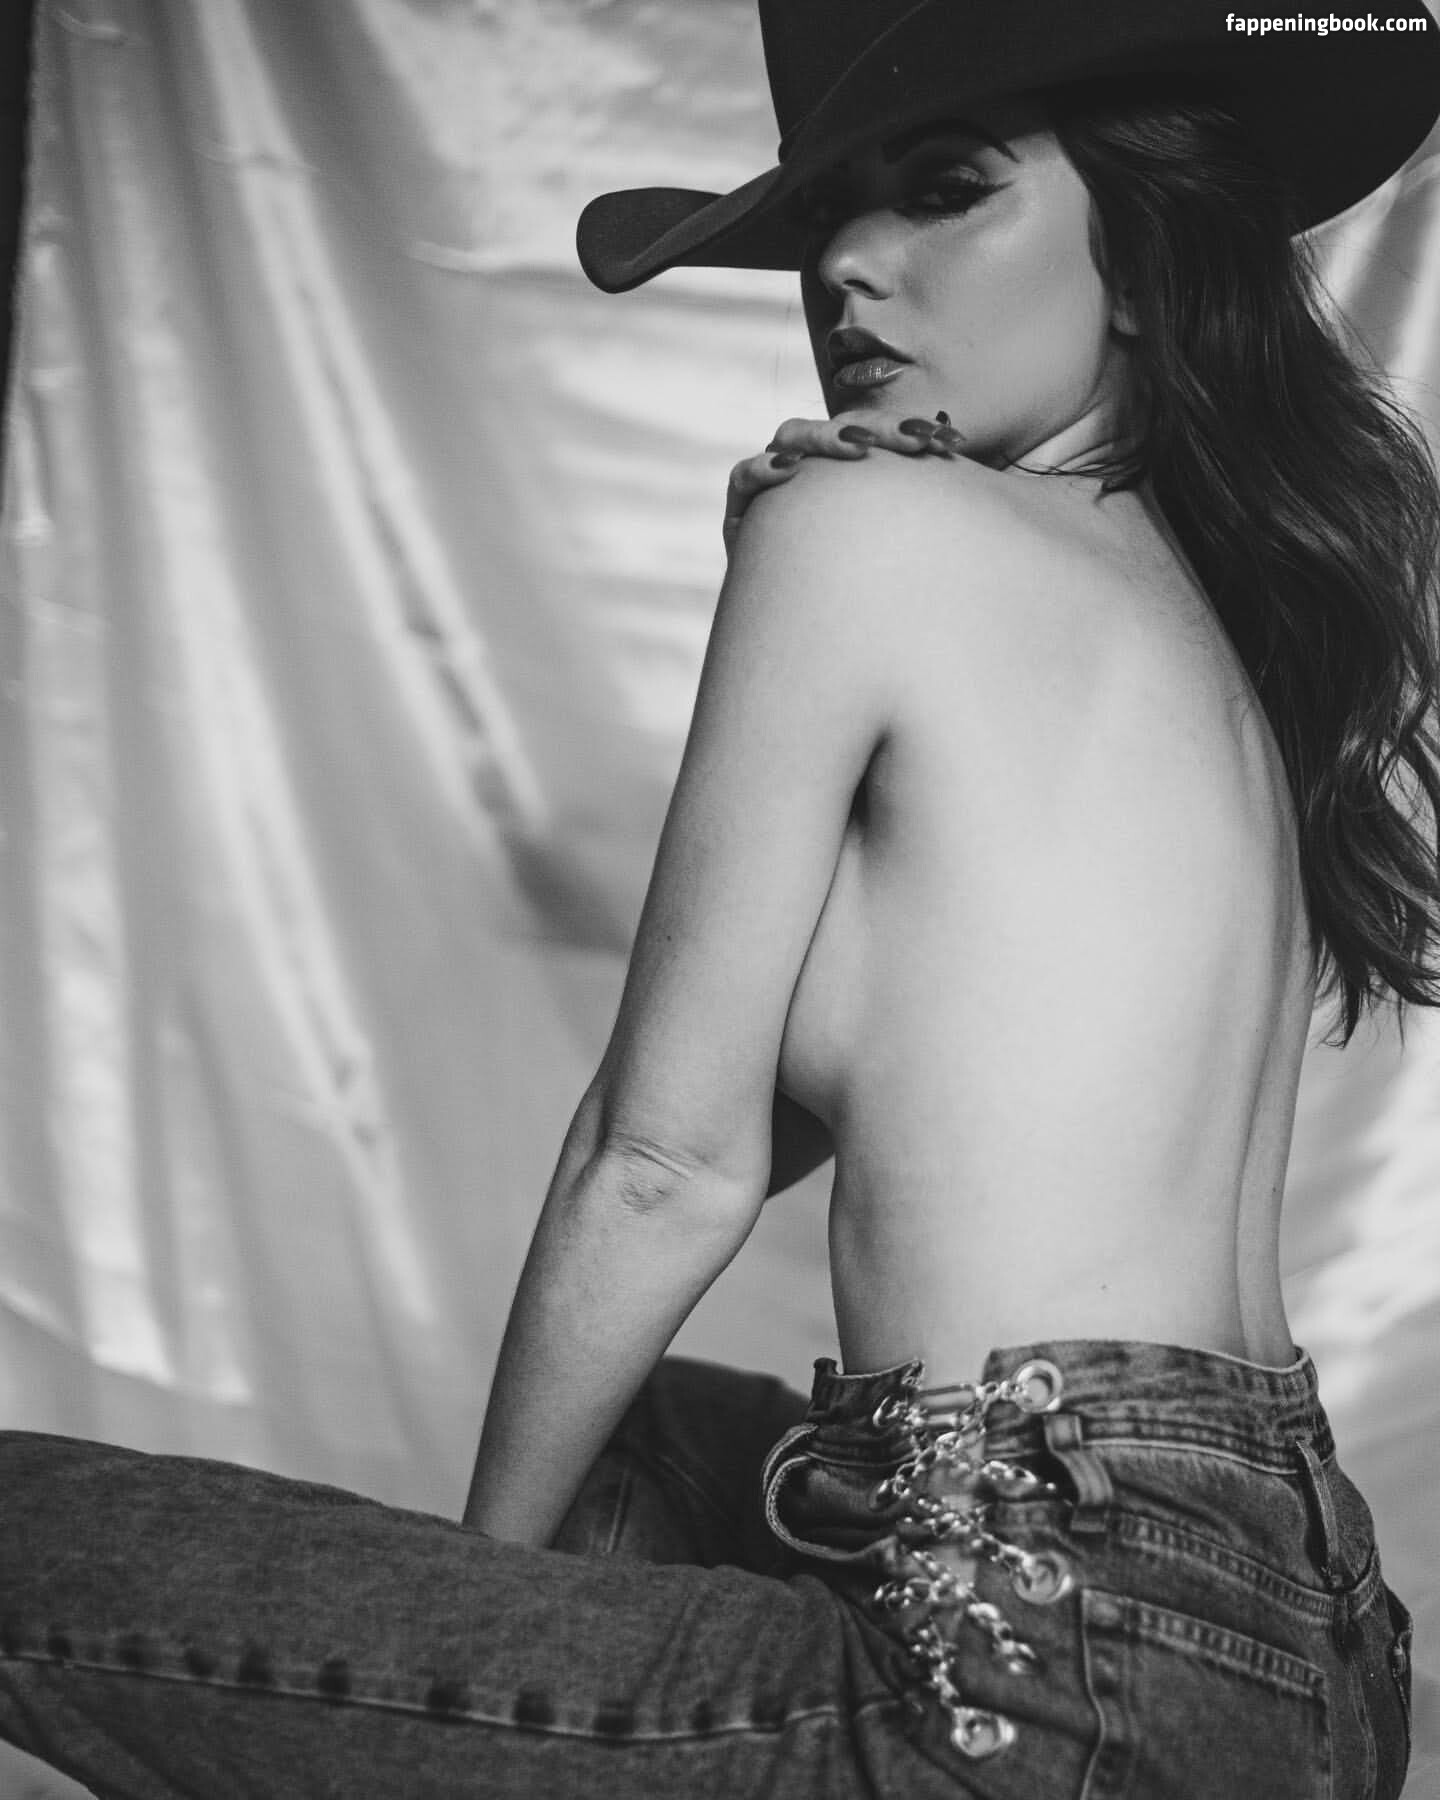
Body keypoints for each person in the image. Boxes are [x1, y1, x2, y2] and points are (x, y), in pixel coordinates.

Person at [3, 2, 1439, 1795]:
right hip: (1306, 1659)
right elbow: (890, 1083)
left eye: (946, 191)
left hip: (1039, 1672)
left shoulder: (865, 537)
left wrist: (480, 1628)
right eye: (831, 214)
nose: (846, 267)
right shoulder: (1208, 638)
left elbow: (664, 1162)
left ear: (1145, 253)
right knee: (660, 1431)